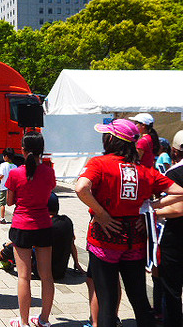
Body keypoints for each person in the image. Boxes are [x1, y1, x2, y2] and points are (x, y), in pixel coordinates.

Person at [75, 118, 183, 327]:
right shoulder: (144, 170)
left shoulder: (100, 163)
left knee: (107, 303)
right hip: (134, 240)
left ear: (111, 139)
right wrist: (150, 206)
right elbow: (179, 192)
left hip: (104, 239)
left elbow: (81, 188)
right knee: (140, 300)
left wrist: (101, 212)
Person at [5, 131, 55, 327]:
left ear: (23, 150)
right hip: (43, 224)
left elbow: (9, 202)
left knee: (23, 276)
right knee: (47, 276)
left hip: (22, 225)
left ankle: (24, 322)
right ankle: (44, 319)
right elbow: (48, 193)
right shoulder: (49, 172)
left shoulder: (15, 173)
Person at [152, 129, 183, 326]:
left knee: (172, 289)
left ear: (174, 151)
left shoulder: (173, 174)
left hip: (174, 238)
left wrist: (150, 211)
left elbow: (176, 208)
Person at [0, 148, 16, 224]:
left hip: (4, 187)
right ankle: (15, 217)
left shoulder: (3, 165)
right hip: (12, 188)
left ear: (6, 156)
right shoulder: (15, 166)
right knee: (14, 202)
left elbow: (2, 175)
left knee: (2, 203)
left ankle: (2, 218)